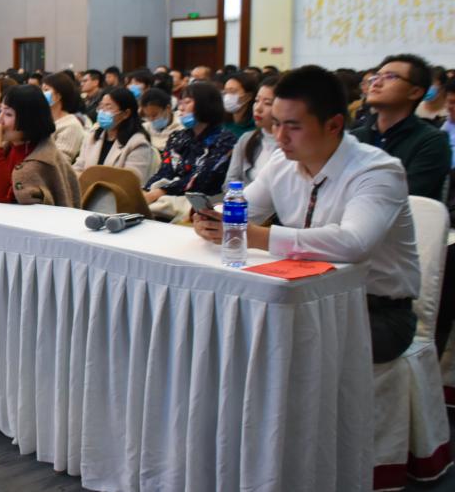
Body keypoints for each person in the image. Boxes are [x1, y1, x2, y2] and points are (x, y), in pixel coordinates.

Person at [192, 65, 420, 364]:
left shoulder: (377, 172)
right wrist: (214, 219)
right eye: (276, 124)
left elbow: (354, 242)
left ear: (333, 125)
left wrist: (254, 235)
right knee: (218, 323)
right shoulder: (283, 162)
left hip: (375, 310)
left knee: (270, 344)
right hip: (303, 296)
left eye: (293, 126)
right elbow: (245, 207)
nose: (280, 136)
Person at [350, 54, 450, 201]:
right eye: (376, 77)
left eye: (390, 77)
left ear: (415, 92)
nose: (376, 83)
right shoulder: (354, 138)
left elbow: (406, 196)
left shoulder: (431, 141)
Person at [0, 85, 80, 207]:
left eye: (8, 114)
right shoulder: (8, 147)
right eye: (0, 111)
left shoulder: (41, 159)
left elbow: (5, 197)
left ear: (28, 120)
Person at [144, 81, 236, 203]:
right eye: (180, 103)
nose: (181, 108)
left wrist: (162, 191)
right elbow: (164, 172)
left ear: (206, 105)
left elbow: (203, 178)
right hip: (169, 198)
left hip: (204, 202)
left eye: (187, 102)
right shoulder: (177, 137)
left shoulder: (225, 140)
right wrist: (147, 190)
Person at [74, 87, 158, 185]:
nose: (102, 112)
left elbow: (131, 182)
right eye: (101, 107)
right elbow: (78, 168)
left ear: (126, 113)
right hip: (86, 190)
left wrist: (89, 181)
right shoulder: (93, 136)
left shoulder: (138, 143)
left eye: (109, 108)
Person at [225, 76, 278, 187]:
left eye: (267, 103)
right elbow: (230, 181)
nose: (258, 108)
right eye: (257, 101)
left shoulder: (290, 146)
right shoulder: (247, 139)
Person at [42, 73, 86, 163]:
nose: (41, 94)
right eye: (41, 90)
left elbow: (60, 162)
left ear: (58, 96)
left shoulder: (71, 125)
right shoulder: (43, 119)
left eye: (46, 90)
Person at [140, 88, 183, 152]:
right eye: (148, 116)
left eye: (154, 115)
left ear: (168, 108)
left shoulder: (181, 128)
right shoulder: (144, 129)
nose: (151, 120)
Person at [222, 72, 257, 138]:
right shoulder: (222, 124)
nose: (227, 96)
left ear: (248, 96)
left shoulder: (254, 127)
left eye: (232, 91)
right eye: (226, 92)